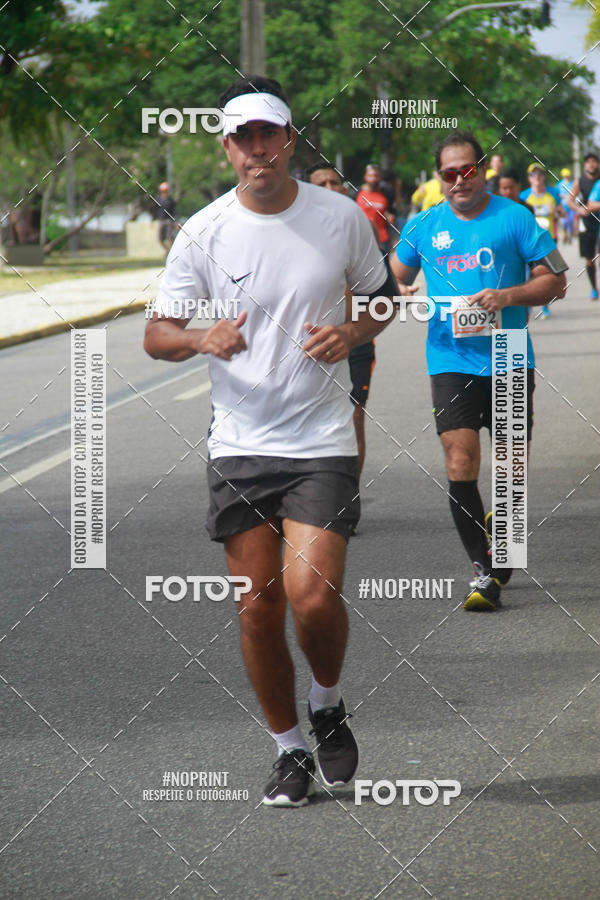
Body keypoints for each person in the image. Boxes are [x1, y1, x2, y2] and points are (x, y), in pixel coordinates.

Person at [144, 76, 398, 807]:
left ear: (289, 139)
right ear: (227, 147)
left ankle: (326, 701)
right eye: (243, 137)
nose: (258, 149)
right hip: (241, 443)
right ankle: (289, 750)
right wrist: (200, 337)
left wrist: (353, 331)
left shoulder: (341, 218)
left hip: (321, 435)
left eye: (269, 134)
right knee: (257, 607)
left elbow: (383, 299)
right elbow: (156, 335)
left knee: (311, 596)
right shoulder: (204, 231)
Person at [390, 129, 567, 611]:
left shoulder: (516, 219)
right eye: (449, 173)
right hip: (450, 358)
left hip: (509, 352)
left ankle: (503, 551)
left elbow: (557, 279)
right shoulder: (424, 225)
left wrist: (507, 296)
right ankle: (484, 570)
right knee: (459, 461)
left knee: (509, 471)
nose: (459, 180)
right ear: (439, 177)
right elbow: (394, 276)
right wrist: (396, 290)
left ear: (484, 169)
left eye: (467, 170)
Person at [305, 162, 377, 481]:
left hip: (354, 339)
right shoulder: (291, 230)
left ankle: (347, 499)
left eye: (336, 183)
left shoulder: (358, 228)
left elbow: (380, 285)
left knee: (353, 416)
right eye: (321, 184)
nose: (330, 189)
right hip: (304, 340)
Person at [522, 164, 560, 318]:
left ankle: (545, 307)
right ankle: (526, 306)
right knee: (530, 274)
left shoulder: (553, 194)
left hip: (549, 241)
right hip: (529, 242)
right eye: (533, 174)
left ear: (544, 176)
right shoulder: (524, 196)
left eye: (539, 174)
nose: (536, 177)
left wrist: (556, 211)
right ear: (529, 178)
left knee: (551, 275)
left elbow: (563, 214)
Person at [568, 152, 600, 300]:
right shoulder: (579, 181)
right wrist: (578, 209)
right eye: (588, 162)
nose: (591, 164)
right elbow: (570, 201)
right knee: (589, 258)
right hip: (586, 222)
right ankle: (594, 288)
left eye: (594, 162)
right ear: (585, 165)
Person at [356, 163, 394, 252]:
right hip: (362, 238)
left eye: (376, 176)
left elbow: (391, 212)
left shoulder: (387, 193)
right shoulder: (356, 193)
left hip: (382, 240)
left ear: (380, 177)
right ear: (365, 177)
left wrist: (390, 217)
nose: (373, 179)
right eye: (370, 176)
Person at [153, 181, 177, 251]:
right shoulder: (158, 200)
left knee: (170, 238)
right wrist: (153, 219)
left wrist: (175, 222)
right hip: (161, 221)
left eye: (166, 191)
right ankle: (167, 251)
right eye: (163, 191)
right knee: (160, 239)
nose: (164, 192)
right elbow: (155, 210)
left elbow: (174, 211)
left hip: (169, 221)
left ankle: (172, 252)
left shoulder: (171, 200)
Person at [556, 168, 575, 244]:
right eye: (565, 176)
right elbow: (557, 195)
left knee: (570, 221)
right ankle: (564, 234)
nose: (566, 177)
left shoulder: (572, 183)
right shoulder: (559, 184)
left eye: (567, 175)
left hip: (571, 206)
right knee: (564, 222)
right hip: (563, 206)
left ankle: (570, 236)